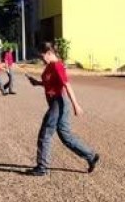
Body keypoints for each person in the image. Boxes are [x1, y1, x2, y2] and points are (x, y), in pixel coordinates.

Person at [24, 42, 100, 176]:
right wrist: (37, 83)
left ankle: (42, 167)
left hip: (58, 103)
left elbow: (67, 85)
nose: (41, 58)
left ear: (49, 53)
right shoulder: (49, 66)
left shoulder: (57, 66)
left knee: (45, 134)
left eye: (42, 55)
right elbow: (50, 83)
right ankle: (91, 156)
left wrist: (76, 105)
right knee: (66, 137)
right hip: (56, 103)